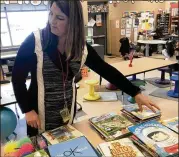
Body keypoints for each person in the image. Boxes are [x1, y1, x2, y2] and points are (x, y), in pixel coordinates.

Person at [12, 0, 160, 137]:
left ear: (73, 21)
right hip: (38, 115)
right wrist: (27, 110)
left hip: (67, 111)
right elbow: (17, 78)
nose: (52, 21)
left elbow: (105, 70)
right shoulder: (35, 41)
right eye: (50, 14)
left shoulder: (80, 47)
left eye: (60, 17)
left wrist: (136, 93)